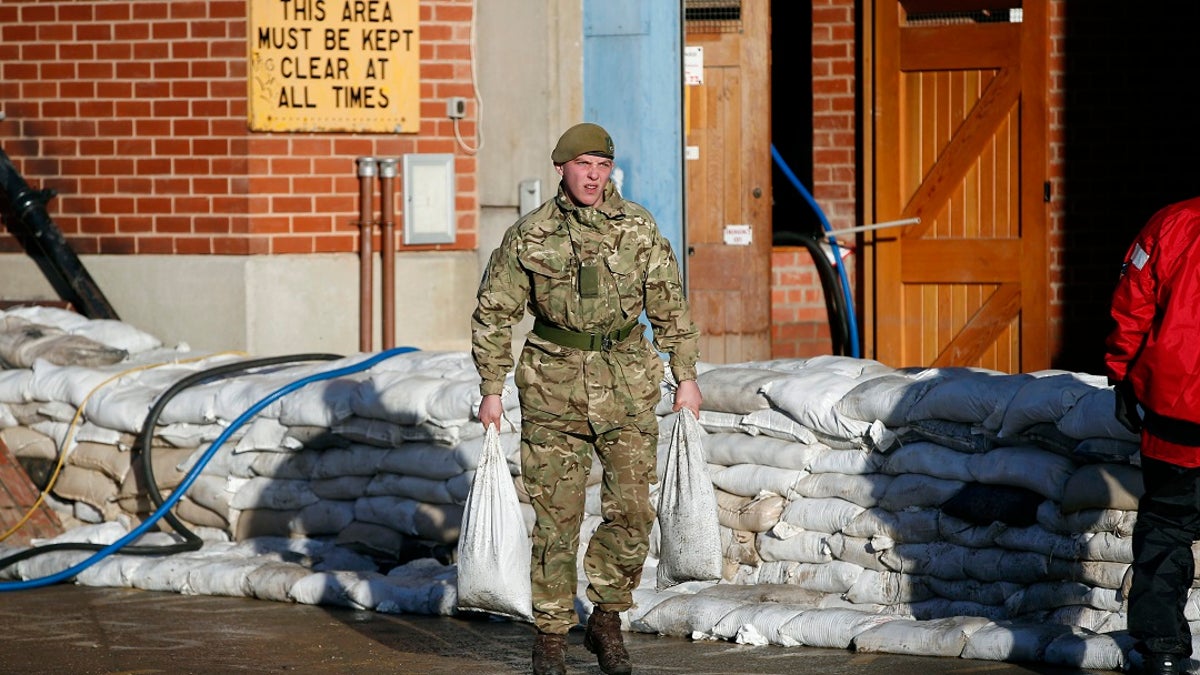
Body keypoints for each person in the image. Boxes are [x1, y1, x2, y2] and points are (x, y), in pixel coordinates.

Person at [470, 122, 702, 675]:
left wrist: (685, 374)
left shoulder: (639, 228)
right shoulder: (529, 235)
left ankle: (605, 616)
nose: (594, 176)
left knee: (632, 513)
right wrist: (491, 388)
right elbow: (494, 314)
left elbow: (669, 305)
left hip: (626, 383)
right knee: (556, 520)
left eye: (602, 166)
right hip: (553, 389)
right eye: (583, 165)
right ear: (561, 169)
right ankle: (551, 633)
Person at [1105, 196, 1200, 675]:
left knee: (1166, 527)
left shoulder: (1171, 224)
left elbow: (1132, 304)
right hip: (1177, 411)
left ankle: (1163, 650)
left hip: (1177, 411)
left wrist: (1121, 373)